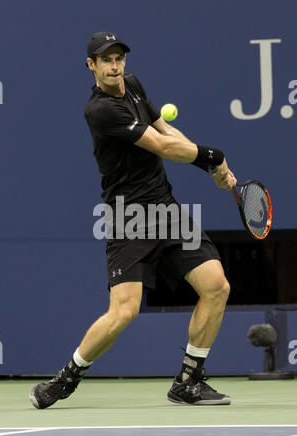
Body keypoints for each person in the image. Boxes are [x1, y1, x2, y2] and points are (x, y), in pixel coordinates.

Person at [29, 32, 237, 409]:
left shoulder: (134, 85)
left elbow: (167, 131)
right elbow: (161, 147)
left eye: (118, 58)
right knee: (124, 310)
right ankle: (67, 377)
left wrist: (208, 167)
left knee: (216, 286)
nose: (115, 65)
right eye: (105, 60)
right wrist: (214, 157)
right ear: (91, 65)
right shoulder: (100, 110)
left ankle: (188, 381)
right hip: (130, 218)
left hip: (166, 209)